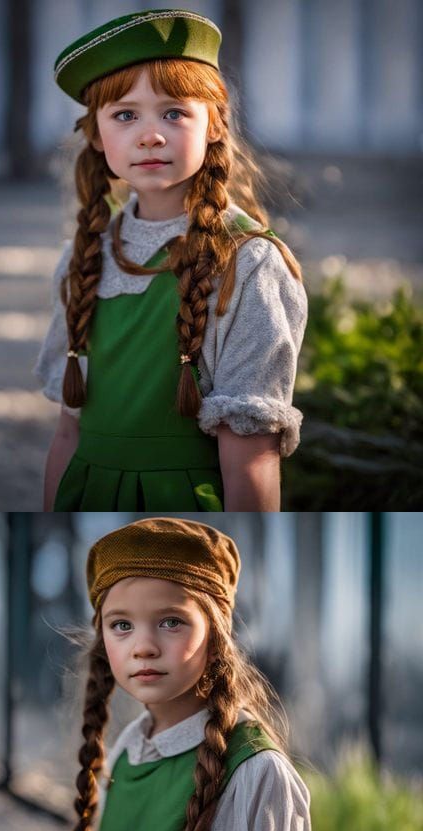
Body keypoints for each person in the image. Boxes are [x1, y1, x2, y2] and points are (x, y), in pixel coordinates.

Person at [40, 517, 312, 831]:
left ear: (217, 633)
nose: (143, 645)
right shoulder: (125, 752)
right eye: (121, 624)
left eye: (171, 621)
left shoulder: (253, 771)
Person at [35, 9, 308, 512]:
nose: (150, 135)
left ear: (214, 125)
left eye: (174, 112)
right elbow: (67, 436)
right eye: (124, 114)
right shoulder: (84, 258)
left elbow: (251, 460)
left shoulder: (249, 263)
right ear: (96, 135)